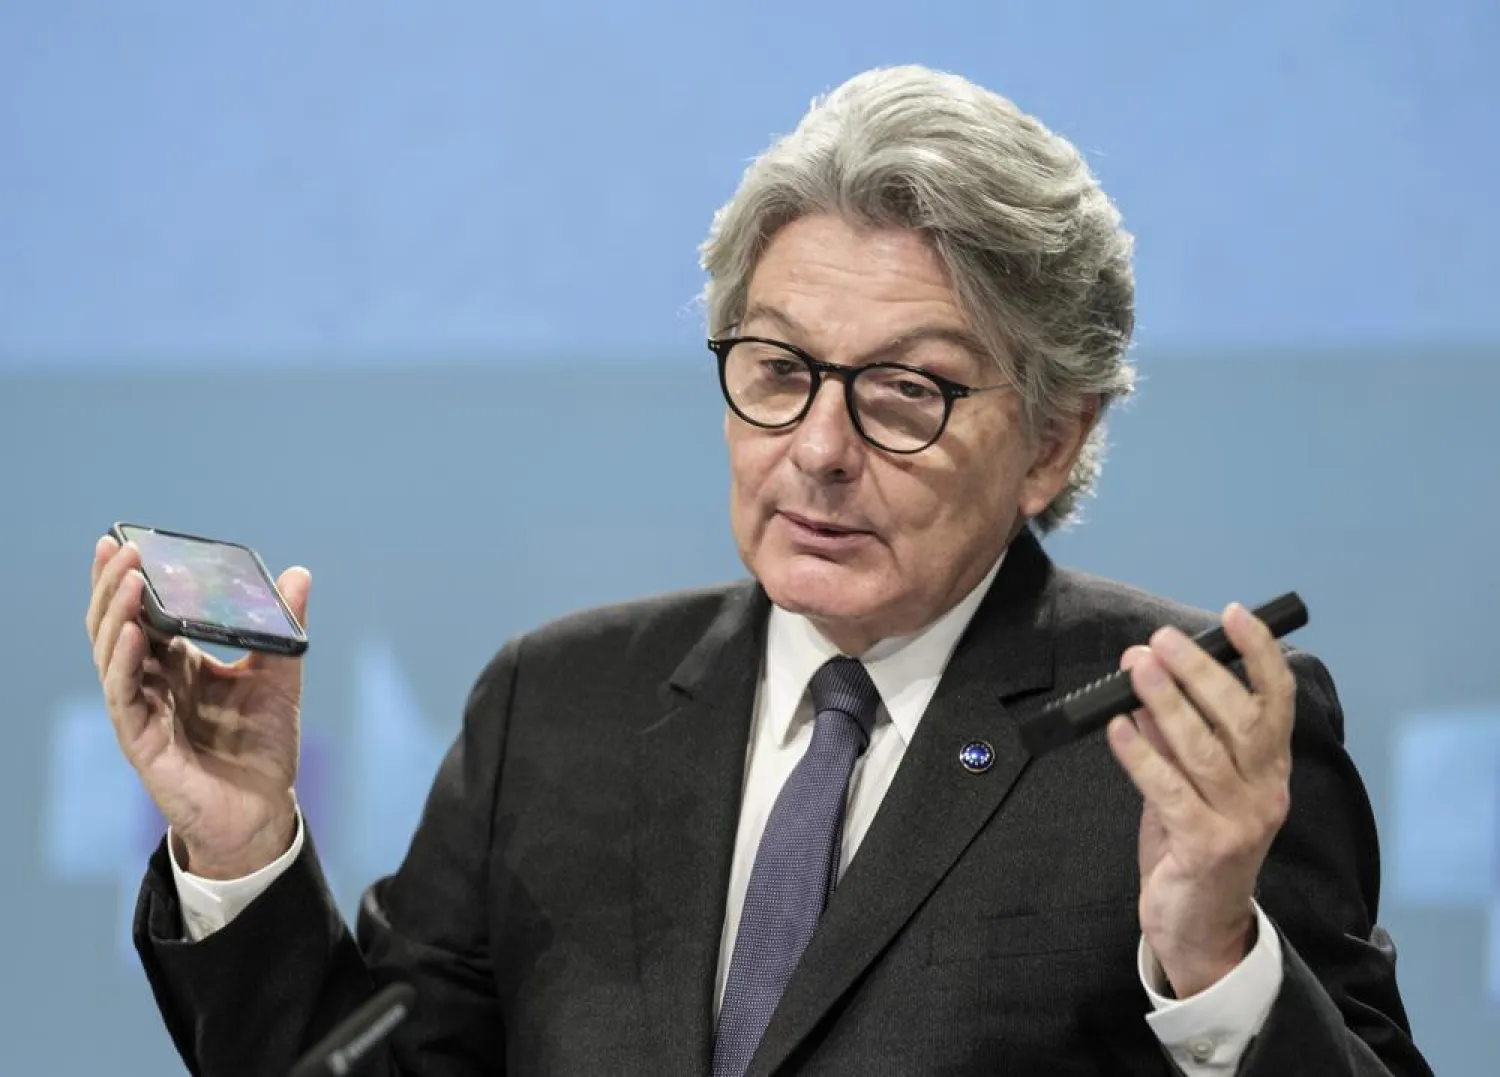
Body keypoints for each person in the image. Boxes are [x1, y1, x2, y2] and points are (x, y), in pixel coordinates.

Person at [85, 66, 1431, 1075]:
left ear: (1051, 440)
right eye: (779, 372)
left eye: (907, 392)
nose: (821, 453)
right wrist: (237, 841)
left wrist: (1214, 960)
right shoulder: (554, 708)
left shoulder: (1182, 728)